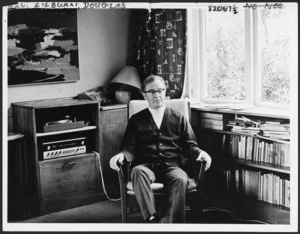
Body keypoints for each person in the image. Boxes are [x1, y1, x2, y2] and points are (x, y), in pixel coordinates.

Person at [110, 75, 211, 223]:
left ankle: (167, 223)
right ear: (144, 95)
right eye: (151, 92)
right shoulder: (136, 120)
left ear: (165, 92)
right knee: (137, 172)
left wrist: (201, 153)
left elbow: (190, 145)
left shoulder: (179, 118)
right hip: (146, 166)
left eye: (160, 90)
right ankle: (151, 217)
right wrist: (121, 155)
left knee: (181, 180)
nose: (157, 95)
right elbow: (129, 148)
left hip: (172, 166)